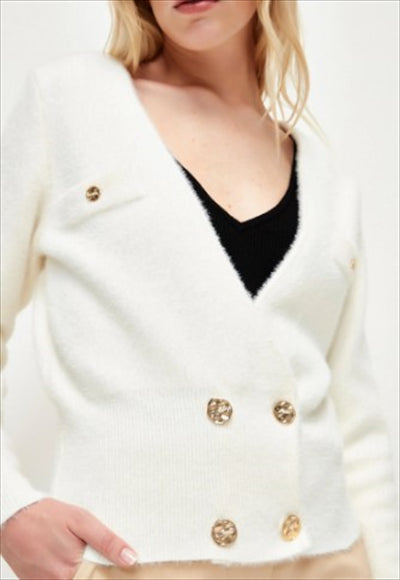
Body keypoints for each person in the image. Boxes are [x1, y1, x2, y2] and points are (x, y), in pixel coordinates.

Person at [1, 1, 398, 579]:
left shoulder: (329, 182)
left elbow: (355, 424)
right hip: (134, 561)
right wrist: (9, 506)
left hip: (332, 561)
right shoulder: (68, 104)